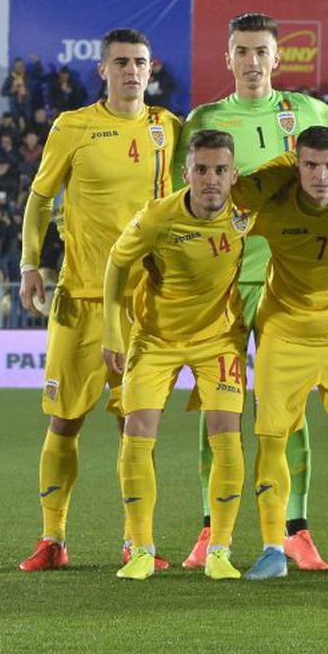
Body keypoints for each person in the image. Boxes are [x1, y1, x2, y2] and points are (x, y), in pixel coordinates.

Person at [172, 12, 328, 572]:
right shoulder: (205, 119)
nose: (252, 61)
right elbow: (176, 198)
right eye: (242, 51)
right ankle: (214, 527)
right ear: (226, 58)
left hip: (287, 284)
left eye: (262, 51)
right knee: (221, 411)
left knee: (290, 414)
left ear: (278, 58)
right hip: (219, 284)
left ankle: (296, 529)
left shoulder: (307, 112)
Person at [16, 28, 182, 572]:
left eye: (139, 62)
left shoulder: (169, 129)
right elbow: (40, 200)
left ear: (151, 68)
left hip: (144, 306)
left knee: (137, 426)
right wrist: (29, 265)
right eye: (121, 63)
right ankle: (53, 538)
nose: (131, 71)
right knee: (64, 422)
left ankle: (139, 543)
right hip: (79, 299)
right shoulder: (74, 126)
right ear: (102, 70)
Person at [227, 127, 328, 581]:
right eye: (310, 166)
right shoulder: (273, 208)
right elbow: (220, 210)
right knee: (271, 439)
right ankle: (273, 549)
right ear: (297, 167)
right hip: (284, 338)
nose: (321, 176)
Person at [105, 130, 248, 580]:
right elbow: (116, 262)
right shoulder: (157, 217)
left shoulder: (248, 213)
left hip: (218, 338)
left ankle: (220, 550)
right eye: (202, 170)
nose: (211, 180)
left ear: (233, 175)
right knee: (138, 430)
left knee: (227, 433)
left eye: (220, 171)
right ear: (185, 173)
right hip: (155, 338)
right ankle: (141, 548)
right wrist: (113, 331)